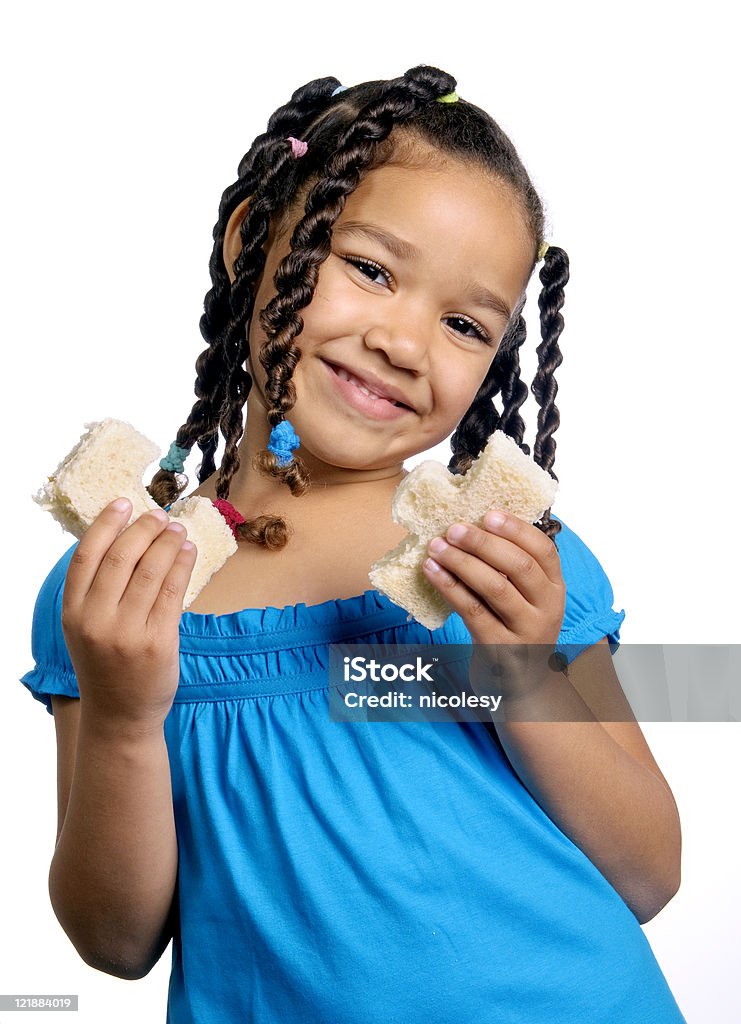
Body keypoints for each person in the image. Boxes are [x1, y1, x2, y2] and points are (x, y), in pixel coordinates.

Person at [19, 65, 687, 1022]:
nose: (405, 343)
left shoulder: (505, 564)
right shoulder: (120, 588)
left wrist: (521, 673)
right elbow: (115, 941)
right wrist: (125, 718)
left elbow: (649, 874)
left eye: (463, 323)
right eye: (370, 269)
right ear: (253, 237)